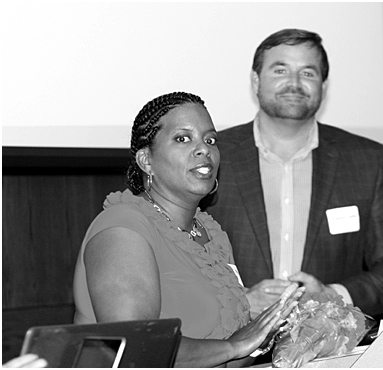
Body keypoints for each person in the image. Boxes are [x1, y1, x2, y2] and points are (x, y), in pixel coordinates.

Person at [200, 28, 383, 320]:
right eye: (280, 70)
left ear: (323, 85)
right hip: (233, 352)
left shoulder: (365, 159)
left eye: (308, 73)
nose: (293, 83)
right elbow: (176, 259)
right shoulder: (213, 154)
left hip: (328, 353)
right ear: (256, 80)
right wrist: (236, 301)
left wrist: (333, 296)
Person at [72, 91, 304, 367]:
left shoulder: (209, 234)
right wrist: (235, 346)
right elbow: (136, 350)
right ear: (147, 161)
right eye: (183, 138)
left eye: (210, 140)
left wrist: (267, 337)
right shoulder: (123, 229)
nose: (204, 149)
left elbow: (224, 352)